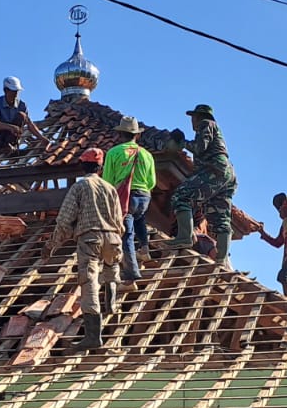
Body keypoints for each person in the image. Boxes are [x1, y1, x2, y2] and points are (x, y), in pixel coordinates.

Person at [48, 146, 124, 351]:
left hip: (90, 237)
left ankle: (93, 335)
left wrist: (52, 244)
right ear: (100, 167)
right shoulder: (110, 188)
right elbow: (119, 219)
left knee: (88, 280)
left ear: (83, 165)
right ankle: (112, 304)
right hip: (113, 236)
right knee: (111, 266)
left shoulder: (80, 187)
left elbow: (65, 219)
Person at [169, 104, 238, 268]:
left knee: (181, 197)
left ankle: (184, 237)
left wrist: (183, 142)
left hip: (214, 171)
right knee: (220, 215)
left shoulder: (206, 124)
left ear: (198, 117)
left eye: (193, 117)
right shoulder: (214, 129)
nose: (192, 121)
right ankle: (221, 258)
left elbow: (200, 148)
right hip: (227, 174)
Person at [101, 116, 156, 282]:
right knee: (140, 218)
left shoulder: (114, 153)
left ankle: (131, 273)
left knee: (127, 234)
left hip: (126, 197)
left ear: (120, 134)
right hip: (144, 196)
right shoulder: (147, 155)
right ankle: (145, 249)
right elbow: (152, 181)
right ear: (136, 135)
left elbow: (108, 181)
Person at [0, 76, 48, 168]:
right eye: (13, 91)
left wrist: (41, 138)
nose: (16, 94)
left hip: (11, 137)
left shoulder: (22, 105)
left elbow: (29, 124)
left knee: (22, 115)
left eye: (17, 91)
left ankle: (9, 145)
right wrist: (10, 127)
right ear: (6, 90)